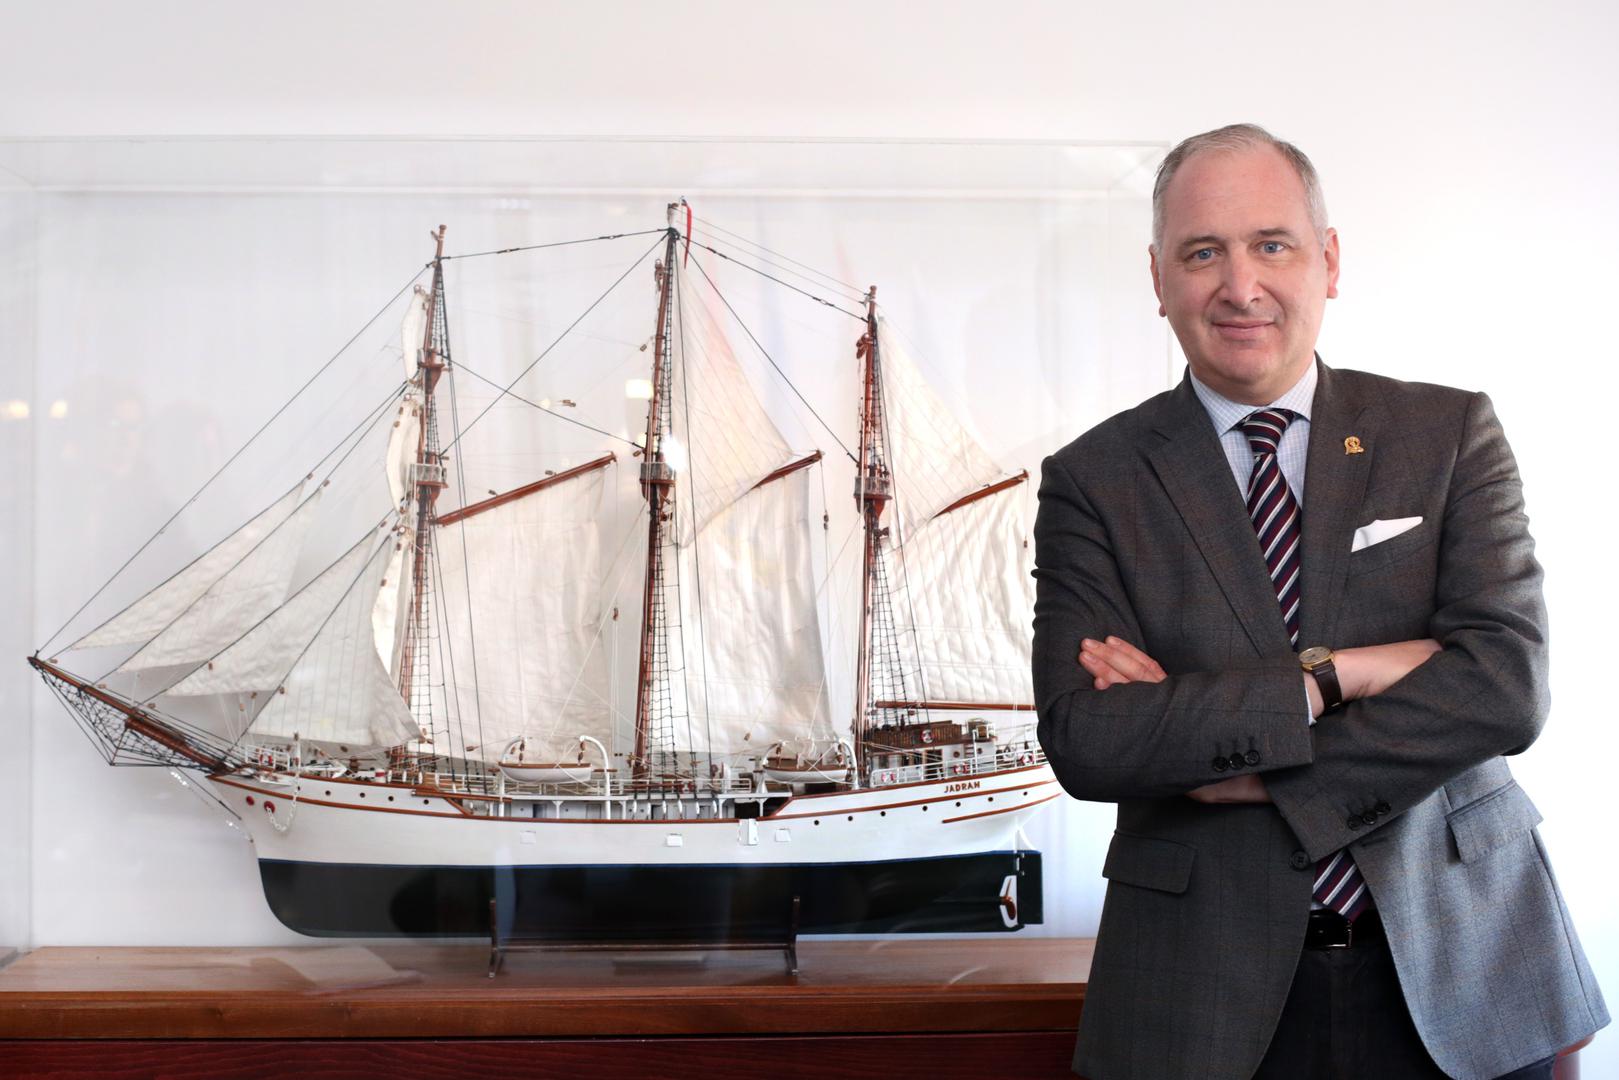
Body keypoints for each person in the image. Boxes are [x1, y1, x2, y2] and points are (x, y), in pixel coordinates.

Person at [1033, 124, 1607, 1080]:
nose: (1240, 285)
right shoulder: (1093, 480)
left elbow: (1505, 689)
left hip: (1468, 968)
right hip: (1197, 993)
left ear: (1328, 261)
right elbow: (1091, 741)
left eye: (1272, 244)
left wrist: (1259, 769)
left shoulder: (1445, 432)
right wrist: (1342, 676)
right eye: (1201, 252)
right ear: (1157, 277)